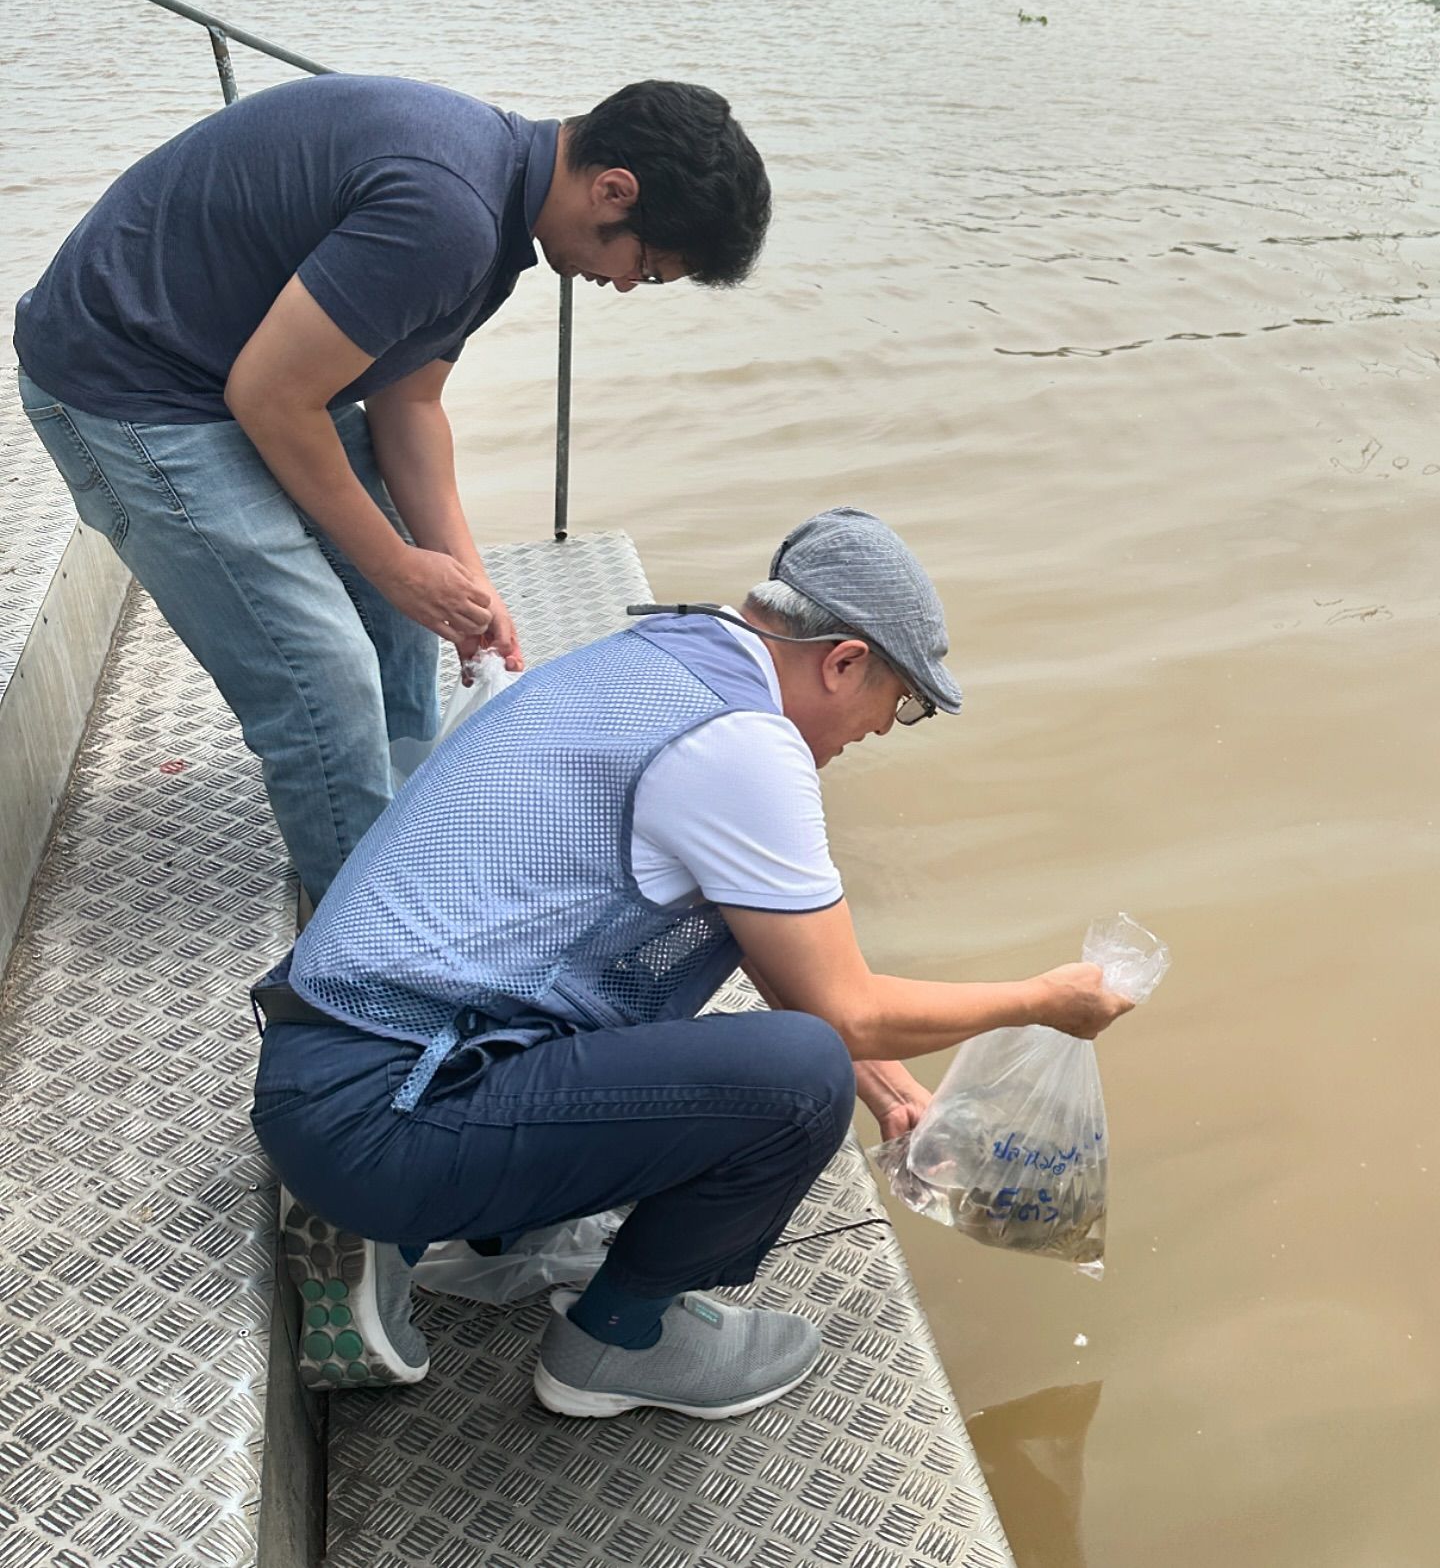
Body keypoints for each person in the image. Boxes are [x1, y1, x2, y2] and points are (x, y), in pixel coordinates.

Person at [249, 507, 1134, 1415]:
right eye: (899, 704)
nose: (878, 731)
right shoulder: (743, 744)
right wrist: (1041, 1000)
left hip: (338, 1060)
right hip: (387, 1119)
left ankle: (485, 1239)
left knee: (761, 1019)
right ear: (844, 661)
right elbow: (844, 1013)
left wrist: (895, 1091)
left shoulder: (650, 662)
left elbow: (783, 952)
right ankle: (618, 1343)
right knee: (796, 1079)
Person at [13, 75, 770, 904]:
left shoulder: (496, 213)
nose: (627, 286)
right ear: (614, 190)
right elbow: (270, 399)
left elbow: (409, 404)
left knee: (406, 621)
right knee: (323, 674)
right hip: (128, 382)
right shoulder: (447, 216)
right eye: (648, 267)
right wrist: (397, 566)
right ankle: (360, 938)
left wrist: (462, 578)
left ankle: (394, 830)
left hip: (231, 365)